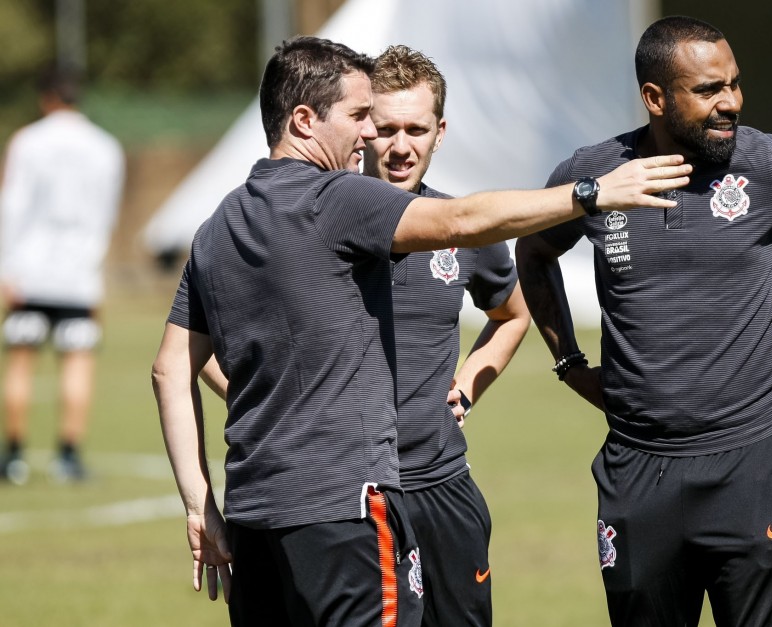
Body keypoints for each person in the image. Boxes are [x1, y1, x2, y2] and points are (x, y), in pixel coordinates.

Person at [151, 36, 691, 626]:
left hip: (259, 514)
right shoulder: (336, 199)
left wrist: (199, 505)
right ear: (304, 120)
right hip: (347, 506)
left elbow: (169, 366)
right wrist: (591, 193)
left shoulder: (216, 225)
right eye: (361, 118)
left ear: (440, 130)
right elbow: (460, 220)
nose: (371, 136)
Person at [515, 16, 772, 627]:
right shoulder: (597, 175)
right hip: (638, 470)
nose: (731, 103)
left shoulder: (767, 166)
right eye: (709, 90)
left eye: (734, 84)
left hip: (751, 464)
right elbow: (533, 253)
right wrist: (568, 363)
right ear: (655, 98)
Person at [365, 45, 529, 626]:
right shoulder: (317, 224)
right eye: (385, 128)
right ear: (362, 128)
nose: (400, 145)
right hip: (355, 495)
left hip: (443, 486)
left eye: (415, 128)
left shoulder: (465, 228)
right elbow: (203, 342)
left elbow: (513, 314)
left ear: (441, 131)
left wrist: (468, 383)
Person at [0, 67, 125, 485]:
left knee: (21, 360)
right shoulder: (105, 147)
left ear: (45, 98)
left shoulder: (28, 141)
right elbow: (106, 214)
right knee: (77, 362)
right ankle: (68, 455)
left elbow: (12, 206)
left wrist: (6, 268)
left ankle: (13, 456)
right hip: (78, 273)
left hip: (30, 270)